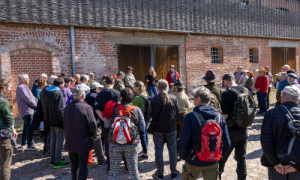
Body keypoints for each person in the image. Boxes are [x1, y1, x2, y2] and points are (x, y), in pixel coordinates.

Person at [179, 86, 231, 180]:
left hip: (193, 160)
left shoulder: (190, 117)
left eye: (194, 98)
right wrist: (218, 156)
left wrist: (183, 156)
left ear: (198, 98)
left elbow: (184, 140)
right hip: (213, 161)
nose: (193, 101)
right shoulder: (220, 117)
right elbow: (227, 143)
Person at [261, 85, 300, 179]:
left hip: (277, 166)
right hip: (297, 165)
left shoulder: (271, 114)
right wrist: (297, 166)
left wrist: (275, 163)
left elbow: (266, 142)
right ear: (298, 99)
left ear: (283, 96)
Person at [219, 73, 252, 180]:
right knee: (241, 158)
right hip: (244, 129)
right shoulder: (246, 90)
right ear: (233, 80)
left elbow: (225, 115)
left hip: (231, 131)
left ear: (225, 81)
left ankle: (217, 175)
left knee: (222, 158)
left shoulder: (227, 93)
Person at [108, 88, 145, 180]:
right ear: (132, 98)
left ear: (120, 98)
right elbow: (142, 127)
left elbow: (107, 124)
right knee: (133, 170)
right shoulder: (137, 109)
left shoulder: (114, 108)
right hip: (132, 142)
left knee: (113, 171)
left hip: (114, 142)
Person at [64, 85, 97, 180]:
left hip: (71, 141)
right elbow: (93, 125)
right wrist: (92, 135)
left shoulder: (68, 107)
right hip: (83, 141)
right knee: (83, 166)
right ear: (83, 95)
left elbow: (65, 124)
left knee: (74, 165)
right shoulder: (86, 107)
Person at [150, 79, 180, 180]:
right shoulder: (173, 98)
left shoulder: (153, 100)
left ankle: (160, 173)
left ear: (157, 88)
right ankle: (174, 172)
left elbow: (151, 115)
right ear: (167, 87)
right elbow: (177, 113)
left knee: (158, 151)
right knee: (172, 151)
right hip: (171, 128)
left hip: (158, 129)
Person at [95, 75, 120, 172]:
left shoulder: (100, 94)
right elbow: (120, 108)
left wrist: (105, 119)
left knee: (108, 143)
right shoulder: (117, 93)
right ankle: (117, 164)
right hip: (116, 122)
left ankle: (110, 167)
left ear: (105, 82)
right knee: (118, 143)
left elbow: (97, 109)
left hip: (105, 124)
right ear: (113, 82)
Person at [46, 78, 70, 168]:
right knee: (59, 141)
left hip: (50, 120)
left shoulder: (47, 92)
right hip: (58, 121)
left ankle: (53, 159)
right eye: (63, 84)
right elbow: (60, 110)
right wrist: (64, 121)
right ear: (60, 85)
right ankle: (58, 161)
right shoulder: (58, 93)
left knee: (53, 139)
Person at [85, 82, 106, 165]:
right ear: (96, 89)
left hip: (87, 120)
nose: (100, 90)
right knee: (97, 140)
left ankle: (87, 158)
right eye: (99, 88)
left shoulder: (87, 96)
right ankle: (101, 160)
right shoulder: (96, 97)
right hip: (95, 120)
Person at [0, 78, 18, 180]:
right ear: (4, 88)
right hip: (3, 135)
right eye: (10, 87)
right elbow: (8, 118)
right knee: (5, 165)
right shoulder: (2, 102)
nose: (10, 90)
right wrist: (13, 128)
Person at [16, 74, 38, 150]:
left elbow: (32, 97)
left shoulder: (23, 87)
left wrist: (37, 103)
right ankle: (30, 145)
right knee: (29, 128)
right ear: (23, 80)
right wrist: (36, 105)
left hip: (28, 110)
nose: (29, 79)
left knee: (26, 127)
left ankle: (23, 143)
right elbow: (28, 99)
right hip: (27, 110)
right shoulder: (21, 87)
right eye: (28, 78)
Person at [170, 79, 190, 158]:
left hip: (174, 116)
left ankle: (175, 153)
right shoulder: (184, 96)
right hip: (183, 116)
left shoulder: (172, 96)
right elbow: (188, 106)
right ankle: (181, 153)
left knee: (174, 136)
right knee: (182, 136)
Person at [38, 75, 56, 153]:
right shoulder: (49, 91)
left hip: (45, 114)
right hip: (49, 115)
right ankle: (49, 148)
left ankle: (46, 147)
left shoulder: (44, 91)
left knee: (47, 133)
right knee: (50, 133)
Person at [132, 81, 150, 160]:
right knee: (145, 133)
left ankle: (145, 154)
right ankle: (145, 148)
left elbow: (133, 108)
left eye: (134, 86)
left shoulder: (137, 98)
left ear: (138, 87)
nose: (133, 87)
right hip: (147, 116)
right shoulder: (146, 94)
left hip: (141, 118)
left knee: (142, 135)